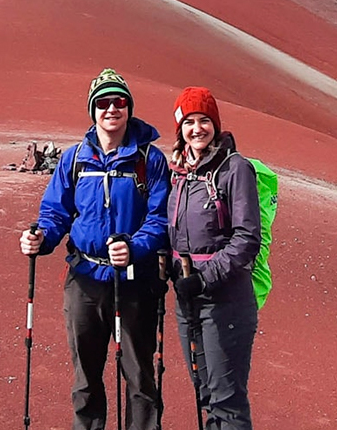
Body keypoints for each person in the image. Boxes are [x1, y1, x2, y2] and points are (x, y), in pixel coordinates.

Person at [19, 68, 170, 430]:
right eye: (103, 103)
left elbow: (161, 219)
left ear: (129, 108)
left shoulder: (149, 160)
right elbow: (56, 211)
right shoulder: (75, 160)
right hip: (84, 280)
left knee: (139, 378)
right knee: (85, 380)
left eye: (119, 102)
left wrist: (134, 247)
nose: (111, 109)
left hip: (135, 282)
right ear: (92, 110)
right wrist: (41, 239)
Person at [166, 87, 261, 429]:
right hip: (187, 298)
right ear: (180, 128)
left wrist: (205, 278)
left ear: (216, 124)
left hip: (225, 301)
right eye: (189, 122)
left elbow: (247, 238)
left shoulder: (235, 169)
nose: (197, 129)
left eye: (204, 120)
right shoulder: (179, 172)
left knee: (226, 400)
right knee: (205, 392)